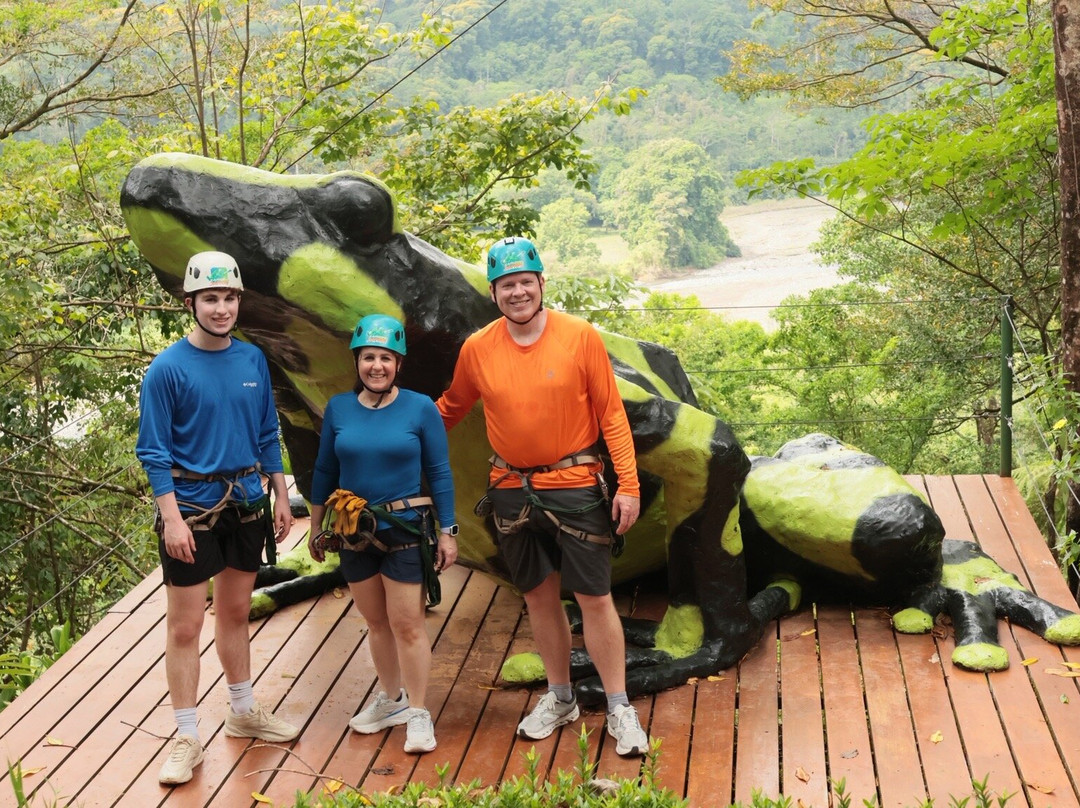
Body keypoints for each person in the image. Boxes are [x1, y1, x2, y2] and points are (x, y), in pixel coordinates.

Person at [436, 236, 650, 757]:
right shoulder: (478, 348)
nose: (517, 293)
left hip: (575, 483)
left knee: (595, 597)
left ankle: (620, 706)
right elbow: (449, 408)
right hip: (510, 488)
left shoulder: (579, 337)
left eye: (525, 283)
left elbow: (611, 414)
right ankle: (560, 698)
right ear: (493, 292)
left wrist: (629, 484)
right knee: (537, 595)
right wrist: (384, 429)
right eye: (506, 285)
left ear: (541, 285)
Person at [135, 250, 299, 786]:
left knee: (233, 611)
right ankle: (186, 734)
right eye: (211, 298)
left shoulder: (251, 359)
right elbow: (154, 452)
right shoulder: (166, 370)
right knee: (184, 626)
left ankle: (243, 710)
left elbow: (265, 432)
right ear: (191, 303)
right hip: (193, 510)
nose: (223, 307)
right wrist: (172, 519)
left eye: (230, 297)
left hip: (246, 501)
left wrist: (279, 494)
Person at [307, 313, 458, 754]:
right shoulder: (338, 408)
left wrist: (448, 533)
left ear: (399, 364)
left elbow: (439, 472)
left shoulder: (419, 408)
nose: (377, 366)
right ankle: (391, 701)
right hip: (354, 529)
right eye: (369, 357)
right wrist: (316, 527)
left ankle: (418, 712)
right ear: (357, 361)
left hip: (405, 528)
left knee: (407, 624)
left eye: (386, 358)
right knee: (375, 622)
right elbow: (324, 470)